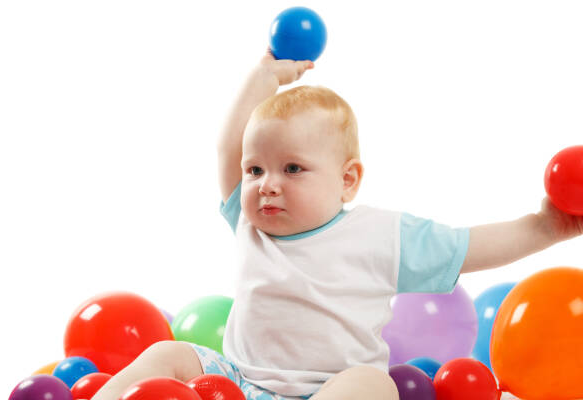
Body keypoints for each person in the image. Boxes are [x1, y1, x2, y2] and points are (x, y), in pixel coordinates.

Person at [92, 49, 583, 400]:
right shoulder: (250, 223)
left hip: (331, 386)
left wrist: (546, 225)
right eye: (256, 169)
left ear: (347, 182)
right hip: (238, 382)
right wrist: (265, 74)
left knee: (375, 385)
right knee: (168, 351)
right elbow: (228, 146)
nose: (267, 184)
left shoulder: (379, 236)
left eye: (292, 169)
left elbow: (467, 247)